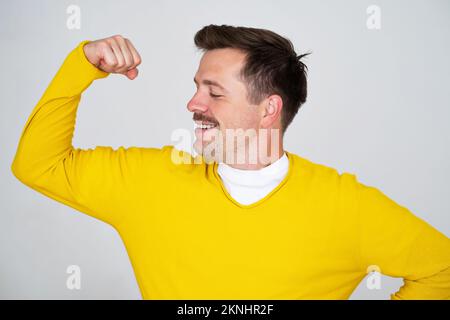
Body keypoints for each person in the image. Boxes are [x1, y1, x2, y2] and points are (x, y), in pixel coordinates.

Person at [11, 25, 450, 299]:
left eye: (214, 92)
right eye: (197, 87)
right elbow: (38, 165)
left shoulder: (347, 205)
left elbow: (441, 270)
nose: (192, 103)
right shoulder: (148, 180)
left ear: (268, 109)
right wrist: (81, 65)